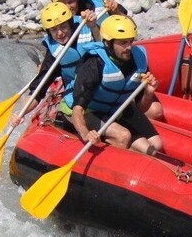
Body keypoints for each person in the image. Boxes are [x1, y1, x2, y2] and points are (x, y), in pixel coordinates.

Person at [59, 15, 163, 154]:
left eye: (130, 41)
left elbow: (141, 108)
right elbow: (78, 109)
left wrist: (148, 94)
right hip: (86, 110)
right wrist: (85, 133)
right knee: (123, 136)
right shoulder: (94, 64)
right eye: (123, 43)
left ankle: (133, 155)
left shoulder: (138, 60)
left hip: (114, 109)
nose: (128, 47)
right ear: (108, 43)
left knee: (156, 144)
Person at [12, 1, 90, 126]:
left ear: (70, 25)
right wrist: (21, 113)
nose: (60, 33)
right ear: (49, 32)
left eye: (63, 27)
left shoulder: (87, 28)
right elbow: (38, 91)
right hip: (77, 95)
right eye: (54, 30)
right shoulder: (54, 55)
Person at [49, 0, 126, 45]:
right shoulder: (55, 24)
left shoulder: (98, 4)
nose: (67, 7)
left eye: (70, 2)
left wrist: (117, 12)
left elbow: (132, 26)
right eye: (62, 4)